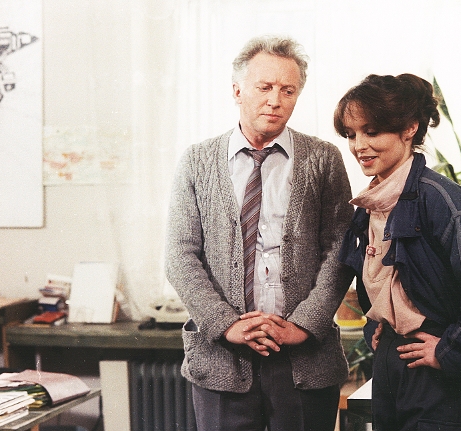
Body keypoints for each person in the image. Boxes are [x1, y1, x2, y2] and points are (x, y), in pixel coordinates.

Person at [334, 73, 461, 430]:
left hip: (439, 378)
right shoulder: (373, 203)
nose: (359, 146)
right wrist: (381, 329)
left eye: (372, 132)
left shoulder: (439, 198)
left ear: (409, 129)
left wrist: (450, 350)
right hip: (394, 366)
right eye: (351, 134)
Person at [165, 35, 353, 431]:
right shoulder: (197, 161)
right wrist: (226, 324)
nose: (275, 100)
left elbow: (340, 250)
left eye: (288, 90)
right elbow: (180, 256)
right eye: (264, 87)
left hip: (304, 359)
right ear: (237, 90)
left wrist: (304, 324)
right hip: (222, 359)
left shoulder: (323, 159)